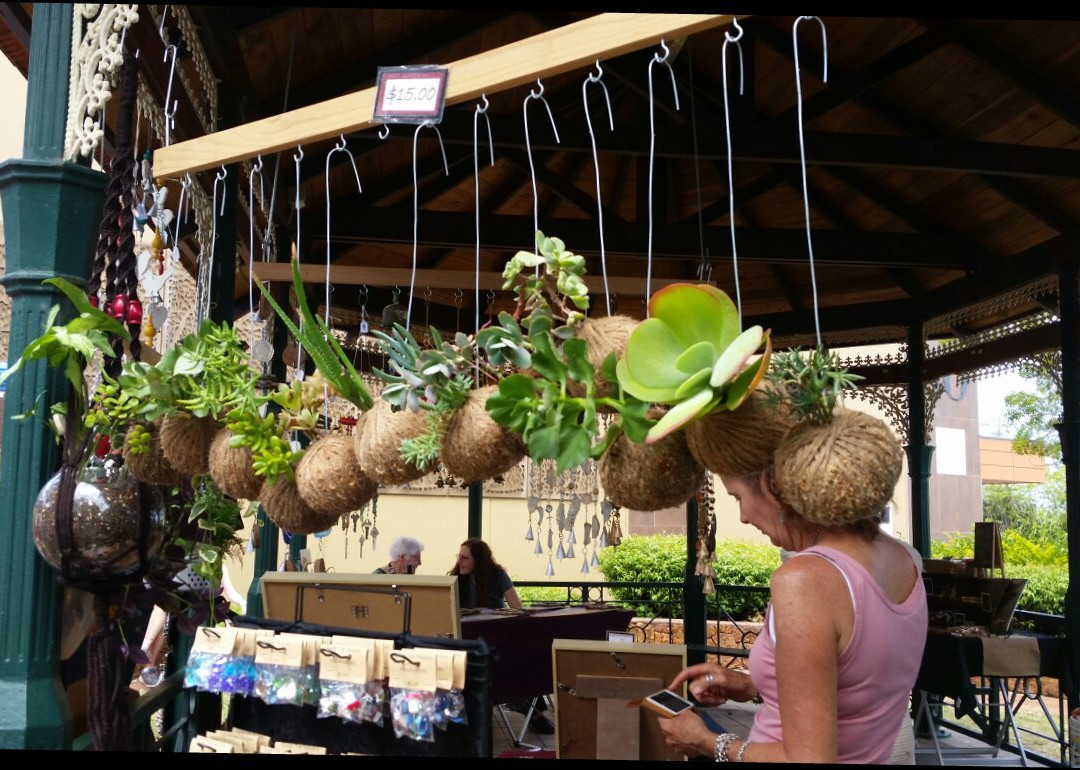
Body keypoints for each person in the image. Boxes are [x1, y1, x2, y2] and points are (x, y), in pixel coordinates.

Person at [657, 389, 928, 764]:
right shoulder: (905, 559)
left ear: (775, 486)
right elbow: (855, 684)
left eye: (738, 497)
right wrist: (750, 684)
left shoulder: (805, 581)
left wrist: (706, 741)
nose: (744, 517)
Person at [449, 538, 523, 610]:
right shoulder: (456, 578)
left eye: (464, 558)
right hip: (464, 622)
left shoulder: (498, 575)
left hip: (492, 622)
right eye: (459, 557)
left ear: (478, 560)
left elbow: (517, 608)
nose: (459, 562)